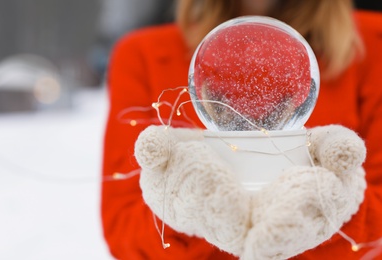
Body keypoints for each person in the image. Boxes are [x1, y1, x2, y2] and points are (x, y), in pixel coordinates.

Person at [101, 0, 382, 259]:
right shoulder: (144, 55)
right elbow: (124, 231)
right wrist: (191, 207)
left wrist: (333, 207)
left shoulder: (374, 43)